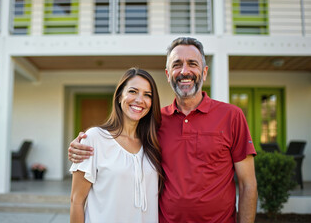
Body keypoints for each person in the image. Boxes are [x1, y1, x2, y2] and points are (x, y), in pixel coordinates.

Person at [69, 37, 258, 223]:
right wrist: (81, 145)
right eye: (177, 64)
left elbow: (247, 184)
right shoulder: (155, 122)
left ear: (205, 71)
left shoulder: (232, 116)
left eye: (192, 63)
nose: (185, 71)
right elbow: (119, 141)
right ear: (168, 74)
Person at [69, 68, 164, 223]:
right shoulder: (94, 138)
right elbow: (76, 201)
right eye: (133, 91)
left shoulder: (153, 143)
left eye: (147, 95)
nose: (140, 100)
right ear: (120, 96)